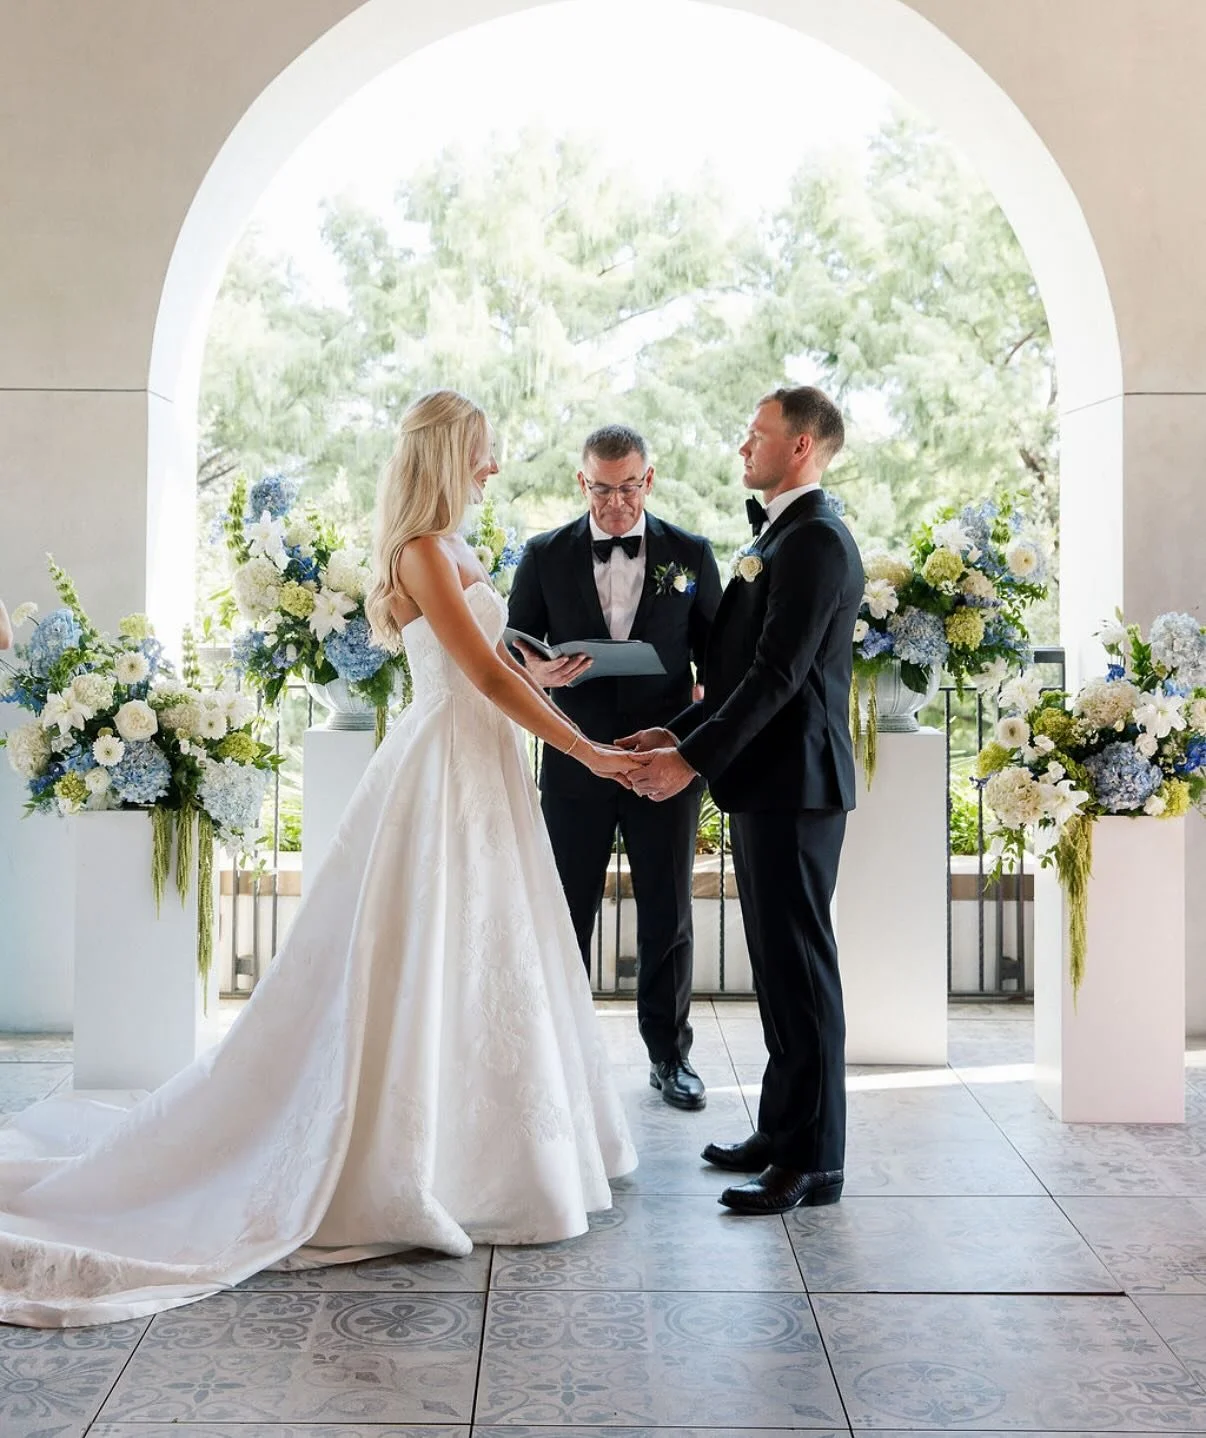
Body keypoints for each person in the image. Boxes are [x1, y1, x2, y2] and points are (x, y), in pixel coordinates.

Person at [0, 389, 641, 1327]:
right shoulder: (424, 552)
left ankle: (489, 1149)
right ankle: (419, 1161)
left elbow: (495, 658)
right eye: (483, 451)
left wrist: (542, 673)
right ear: (445, 455)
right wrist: (587, 750)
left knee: (487, 956)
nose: (495, 466)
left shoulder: (454, 547)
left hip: (481, 766)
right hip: (444, 768)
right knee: (428, 955)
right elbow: (479, 675)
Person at [620, 386, 863, 1214]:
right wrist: (678, 733)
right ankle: (779, 1128)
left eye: (756, 434)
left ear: (801, 447)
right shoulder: (783, 536)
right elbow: (732, 678)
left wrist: (690, 762)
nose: (742, 447)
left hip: (798, 789)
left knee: (801, 972)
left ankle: (814, 1162)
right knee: (776, 971)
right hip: (766, 784)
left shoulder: (818, 541)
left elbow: (777, 679)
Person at [507, 425, 722, 1110]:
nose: (618, 503)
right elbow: (511, 655)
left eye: (630, 487)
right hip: (575, 757)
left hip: (665, 759)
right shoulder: (543, 555)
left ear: (649, 481)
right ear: (582, 483)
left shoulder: (690, 553)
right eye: (603, 489)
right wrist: (540, 673)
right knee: (565, 907)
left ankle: (670, 1056)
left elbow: (720, 667)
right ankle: (561, 1059)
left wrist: (685, 746)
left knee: (668, 910)